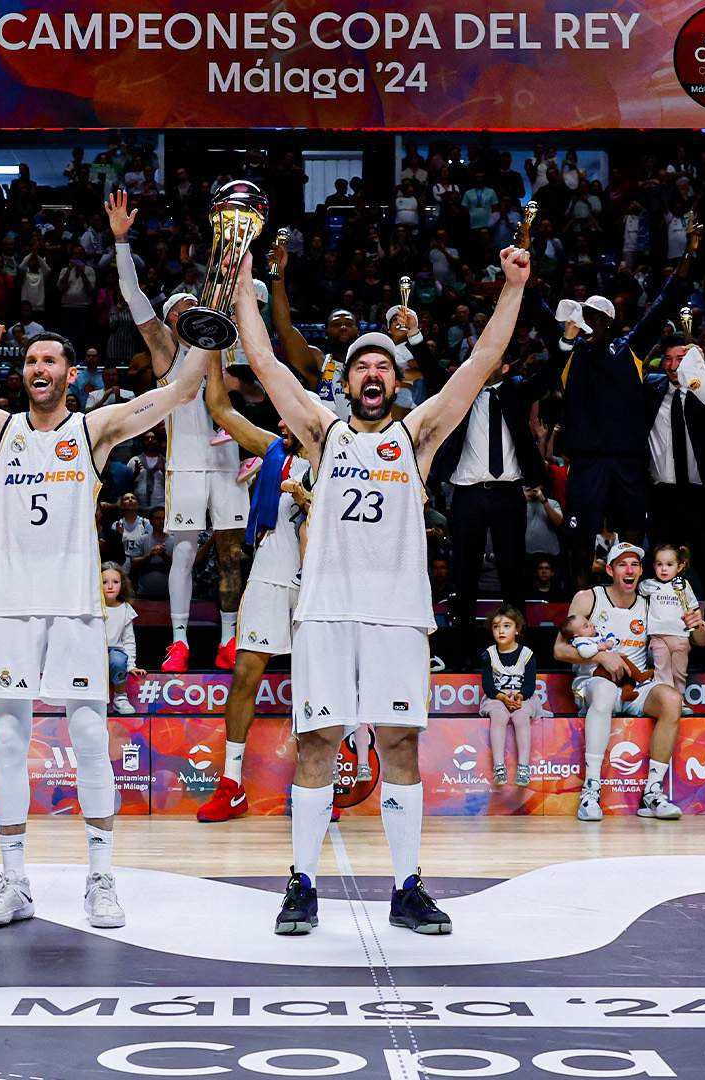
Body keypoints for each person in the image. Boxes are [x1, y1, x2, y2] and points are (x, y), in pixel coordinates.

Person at [0, 280, 210, 931]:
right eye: (32, 361)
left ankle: (101, 878)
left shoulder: (94, 429)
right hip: (9, 608)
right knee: (10, 740)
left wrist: (206, 335)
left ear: (71, 373)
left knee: (89, 736)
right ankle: (13, 881)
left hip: (74, 608)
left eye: (50, 361)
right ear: (24, 373)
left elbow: (177, 393)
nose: (39, 369)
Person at [237, 242, 528, 936]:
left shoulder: (418, 436)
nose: (373, 372)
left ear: (396, 383)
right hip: (328, 614)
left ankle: (406, 887)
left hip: (398, 617)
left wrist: (513, 289)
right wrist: (244, 287)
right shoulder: (322, 432)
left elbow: (478, 364)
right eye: (363, 364)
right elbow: (267, 364)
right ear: (348, 382)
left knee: (398, 746)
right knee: (317, 746)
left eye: (384, 366)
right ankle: (301, 882)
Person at [107, 191, 247, 672]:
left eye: (195, 306)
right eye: (179, 309)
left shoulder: (226, 349)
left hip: (229, 460)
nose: (188, 312)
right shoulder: (166, 351)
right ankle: (181, 642)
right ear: (170, 319)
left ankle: (230, 641)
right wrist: (122, 242)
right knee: (183, 553)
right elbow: (133, 297)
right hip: (186, 460)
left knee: (232, 553)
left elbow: (253, 398)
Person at [425, 280, 572, 663]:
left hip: (509, 493)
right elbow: (427, 366)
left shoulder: (516, 389)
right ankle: (461, 649)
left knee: (512, 569)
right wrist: (411, 339)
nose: (481, 362)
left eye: (490, 358)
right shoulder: (459, 388)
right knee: (463, 572)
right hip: (467, 494)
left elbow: (551, 371)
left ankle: (517, 649)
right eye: (476, 355)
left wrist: (566, 343)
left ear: (504, 365)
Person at [554, 224, 705, 590]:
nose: (585, 320)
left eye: (593, 315)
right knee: (579, 542)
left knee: (632, 540)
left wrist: (690, 253)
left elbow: (666, 302)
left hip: (627, 462)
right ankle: (580, 609)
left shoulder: (630, 348)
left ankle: (632, 607)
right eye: (582, 315)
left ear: (609, 321)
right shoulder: (567, 351)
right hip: (586, 462)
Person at [195, 351, 309, 822]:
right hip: (269, 570)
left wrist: (308, 498)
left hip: (317, 581)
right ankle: (232, 784)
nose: (280, 418)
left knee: (316, 684)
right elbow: (221, 410)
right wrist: (214, 348)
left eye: (289, 410)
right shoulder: (273, 448)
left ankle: (314, 781)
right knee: (245, 674)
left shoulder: (337, 455)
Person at [556, 543, 690, 823]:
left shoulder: (652, 600)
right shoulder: (588, 598)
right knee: (604, 692)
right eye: (622, 564)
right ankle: (590, 791)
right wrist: (602, 657)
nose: (629, 570)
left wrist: (699, 625)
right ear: (609, 569)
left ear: (642, 571)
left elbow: (699, 641)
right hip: (594, 682)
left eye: (635, 565)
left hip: (636, 685)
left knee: (672, 700)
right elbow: (559, 650)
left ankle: (652, 794)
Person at [643, 340, 705, 642]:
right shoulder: (650, 388)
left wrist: (701, 369)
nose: (672, 365)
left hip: (702, 497)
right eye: (667, 358)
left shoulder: (704, 390)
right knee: (661, 571)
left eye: (680, 358)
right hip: (661, 496)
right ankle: (660, 638)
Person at [480, 605, 539, 787]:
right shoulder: (488, 654)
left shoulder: (527, 655)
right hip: (497, 698)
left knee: (521, 718)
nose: (501, 630)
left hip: (522, 697)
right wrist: (503, 698)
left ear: (517, 630)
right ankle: (499, 767)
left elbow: (529, 684)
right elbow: (488, 686)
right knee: (498, 717)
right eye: (496, 626)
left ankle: (523, 767)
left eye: (507, 626)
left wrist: (519, 696)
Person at [641, 543, 705, 697]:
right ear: (654, 566)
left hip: (680, 638)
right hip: (658, 638)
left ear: (679, 567)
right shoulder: (650, 585)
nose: (664, 569)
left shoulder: (683, 586)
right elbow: (639, 588)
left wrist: (698, 622)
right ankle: (666, 701)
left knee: (679, 672)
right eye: (659, 564)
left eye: (669, 565)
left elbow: (693, 608)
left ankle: (680, 699)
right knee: (662, 672)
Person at [101, 562, 143, 715]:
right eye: (104, 582)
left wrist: (131, 665)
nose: (110, 586)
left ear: (122, 584)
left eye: (115, 582)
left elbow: (129, 640)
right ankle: (98, 700)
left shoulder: (125, 609)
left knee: (117, 660)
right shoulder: (92, 607)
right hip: (93, 651)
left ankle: (120, 697)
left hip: (115, 651)